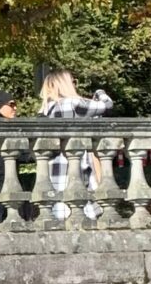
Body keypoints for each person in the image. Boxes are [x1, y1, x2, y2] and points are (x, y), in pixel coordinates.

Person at [37, 69, 113, 218]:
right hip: (77, 168)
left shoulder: (47, 109)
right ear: (64, 84)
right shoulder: (73, 104)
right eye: (73, 81)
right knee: (81, 215)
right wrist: (99, 92)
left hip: (55, 169)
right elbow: (107, 105)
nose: (75, 85)